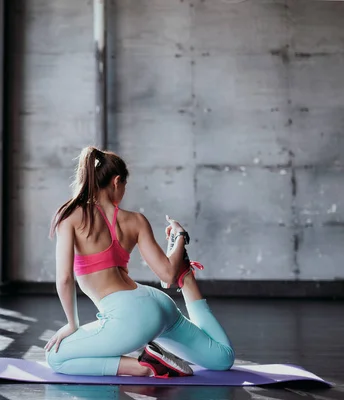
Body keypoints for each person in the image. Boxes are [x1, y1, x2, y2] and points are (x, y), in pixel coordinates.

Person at [44, 146, 235, 378]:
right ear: (116, 181)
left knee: (56, 358)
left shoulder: (71, 216)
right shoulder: (136, 220)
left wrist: (71, 324)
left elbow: (65, 279)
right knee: (222, 358)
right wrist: (180, 238)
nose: (124, 191)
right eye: (125, 185)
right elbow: (167, 275)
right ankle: (187, 276)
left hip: (129, 318)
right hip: (158, 305)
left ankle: (145, 366)